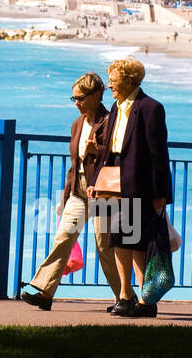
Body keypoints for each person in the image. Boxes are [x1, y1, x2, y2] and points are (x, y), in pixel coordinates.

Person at [20, 73, 123, 312]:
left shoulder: (110, 121)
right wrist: (65, 195)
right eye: (73, 98)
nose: (76, 103)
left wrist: (95, 149)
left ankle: (123, 297)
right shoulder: (77, 124)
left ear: (97, 96)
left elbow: (117, 157)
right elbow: (75, 164)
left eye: (80, 98)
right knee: (63, 238)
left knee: (104, 247)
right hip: (78, 193)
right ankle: (45, 291)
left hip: (102, 195)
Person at [88, 58, 173, 318]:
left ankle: (146, 301)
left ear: (130, 79)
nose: (110, 84)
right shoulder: (116, 107)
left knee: (135, 243)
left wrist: (161, 195)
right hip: (111, 182)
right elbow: (109, 150)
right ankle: (125, 296)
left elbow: (159, 154)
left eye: (114, 79)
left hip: (137, 184)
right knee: (116, 240)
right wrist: (95, 181)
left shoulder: (150, 108)